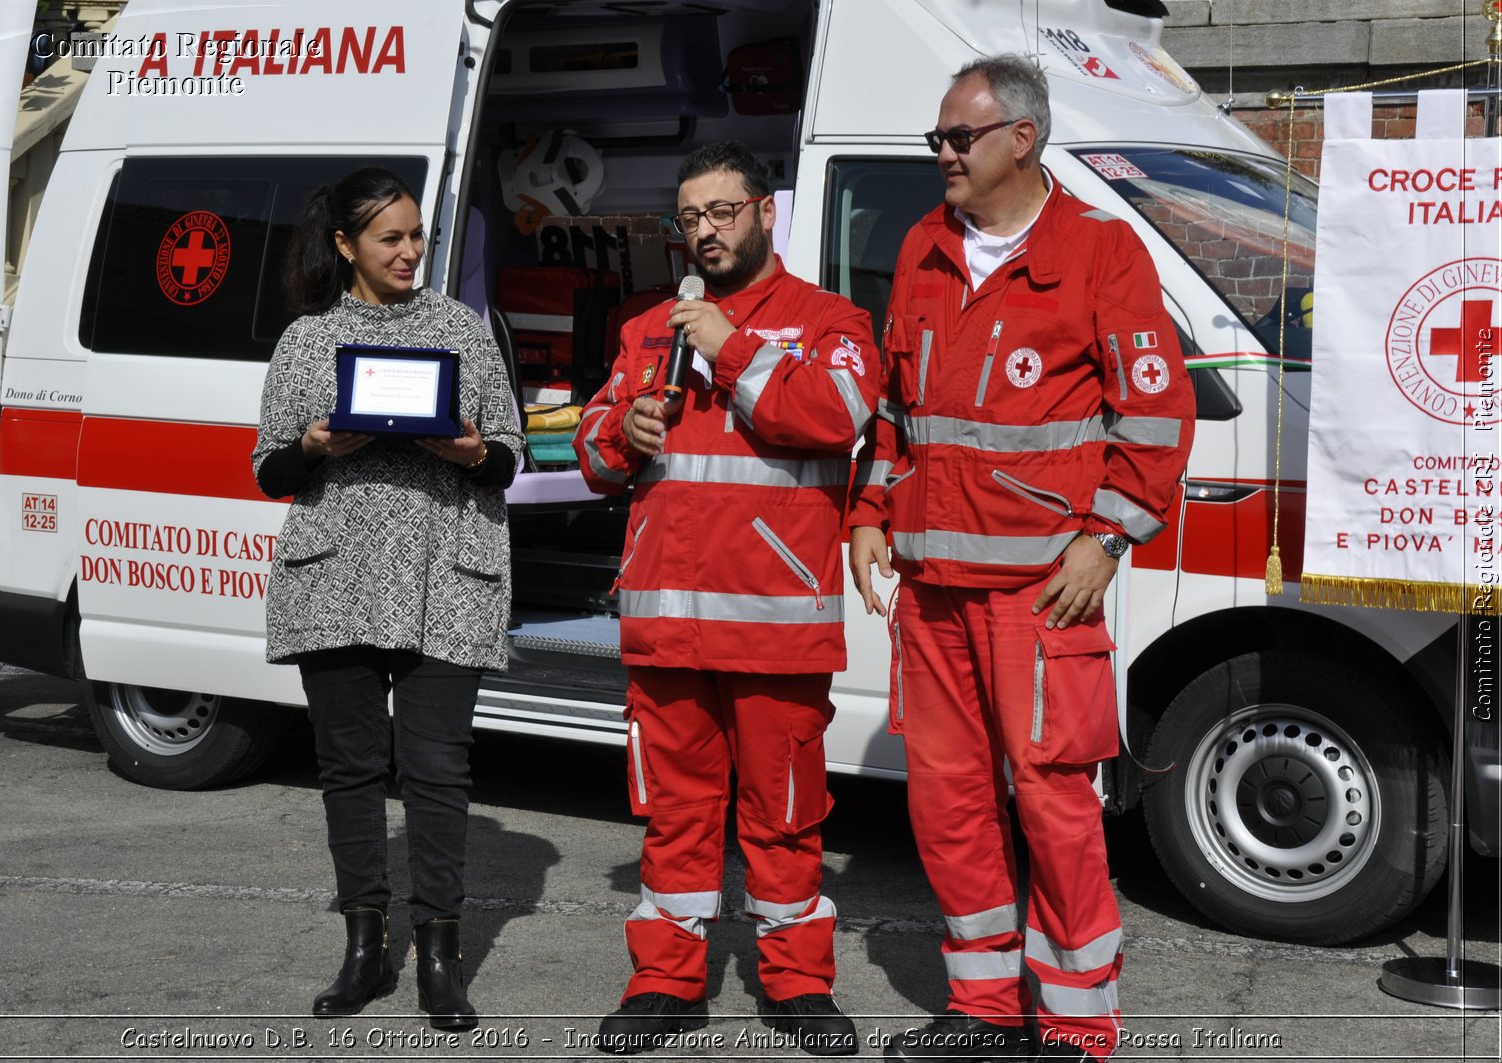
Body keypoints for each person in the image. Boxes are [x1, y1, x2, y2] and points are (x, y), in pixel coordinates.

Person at [847, 56, 1194, 1061]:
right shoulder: (921, 245)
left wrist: (1106, 536)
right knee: (947, 805)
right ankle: (985, 1010)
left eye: (957, 140)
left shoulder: (1100, 251)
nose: (941, 156)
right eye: (937, 141)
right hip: (932, 592)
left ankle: (1079, 1025)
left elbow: (1154, 413)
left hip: (1039, 591)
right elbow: (894, 408)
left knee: (1052, 804)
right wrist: (870, 509)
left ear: (1020, 140)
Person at [574, 141, 878, 1056]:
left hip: (777, 624)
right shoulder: (647, 328)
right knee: (674, 813)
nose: (704, 233)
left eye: (722, 213)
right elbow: (590, 456)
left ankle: (797, 986)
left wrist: (732, 347)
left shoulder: (832, 323)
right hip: (666, 622)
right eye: (690, 218)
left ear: (765, 212)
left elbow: (835, 417)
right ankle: (664, 980)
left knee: (787, 816)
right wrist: (620, 432)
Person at [252, 166, 523, 1029]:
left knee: (438, 769)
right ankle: (364, 950)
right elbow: (269, 469)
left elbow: (511, 454)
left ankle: (440, 957)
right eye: (390, 238)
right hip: (337, 579)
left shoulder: (461, 330)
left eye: (417, 235)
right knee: (350, 771)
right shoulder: (306, 340)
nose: (410, 252)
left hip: (448, 573)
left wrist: (471, 452)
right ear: (346, 246)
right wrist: (317, 442)